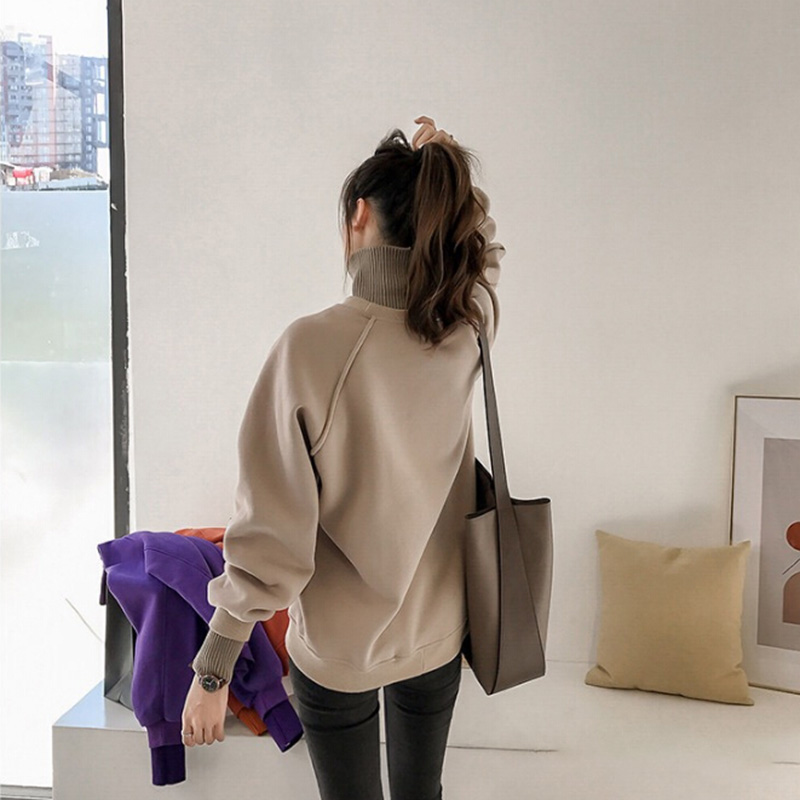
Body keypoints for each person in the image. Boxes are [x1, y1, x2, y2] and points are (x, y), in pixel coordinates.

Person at [182, 114, 506, 800]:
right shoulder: (462, 327)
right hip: (438, 638)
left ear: (359, 215)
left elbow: (272, 539)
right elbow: (481, 256)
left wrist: (212, 671)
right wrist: (448, 169)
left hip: (338, 655)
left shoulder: (310, 348)